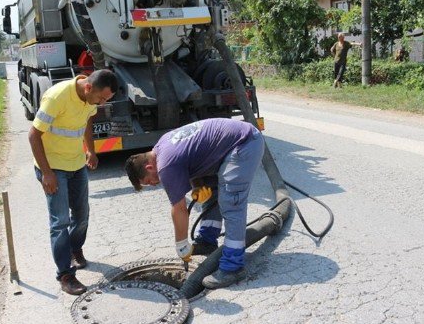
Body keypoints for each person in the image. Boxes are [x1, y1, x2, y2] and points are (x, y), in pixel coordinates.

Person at [124, 118, 264, 289]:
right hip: (233, 143)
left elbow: (179, 210)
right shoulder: (161, 147)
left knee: (231, 203)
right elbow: (191, 158)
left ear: (149, 168)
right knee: (212, 192)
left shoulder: (165, 166)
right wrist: (198, 186)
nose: (154, 184)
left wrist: (181, 245)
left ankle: (232, 267)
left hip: (243, 144)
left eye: (149, 181)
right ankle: (207, 241)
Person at [28, 69, 118, 295]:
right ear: (88, 87)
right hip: (53, 168)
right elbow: (33, 135)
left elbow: (88, 121)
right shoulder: (57, 97)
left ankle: (75, 248)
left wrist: (91, 150)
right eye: (101, 98)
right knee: (60, 222)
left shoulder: (90, 98)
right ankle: (65, 275)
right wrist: (47, 173)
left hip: (76, 164)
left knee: (81, 216)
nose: (101, 103)